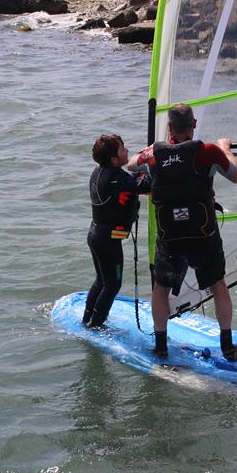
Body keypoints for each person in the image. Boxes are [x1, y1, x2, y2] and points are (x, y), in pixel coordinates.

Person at [127, 103, 237, 361]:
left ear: (170, 127)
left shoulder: (152, 154)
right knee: (218, 285)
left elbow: (130, 164)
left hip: (170, 237)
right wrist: (225, 149)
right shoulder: (208, 152)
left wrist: (154, 154)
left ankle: (161, 346)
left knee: (160, 288)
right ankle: (227, 346)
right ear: (193, 125)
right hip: (203, 236)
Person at [85, 134, 151, 328]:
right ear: (114, 159)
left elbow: (132, 183)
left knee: (101, 280)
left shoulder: (99, 172)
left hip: (95, 235)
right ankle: (96, 325)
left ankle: (87, 319)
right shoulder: (120, 180)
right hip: (108, 241)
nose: (127, 151)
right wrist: (148, 161)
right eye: (123, 149)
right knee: (113, 285)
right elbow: (147, 184)